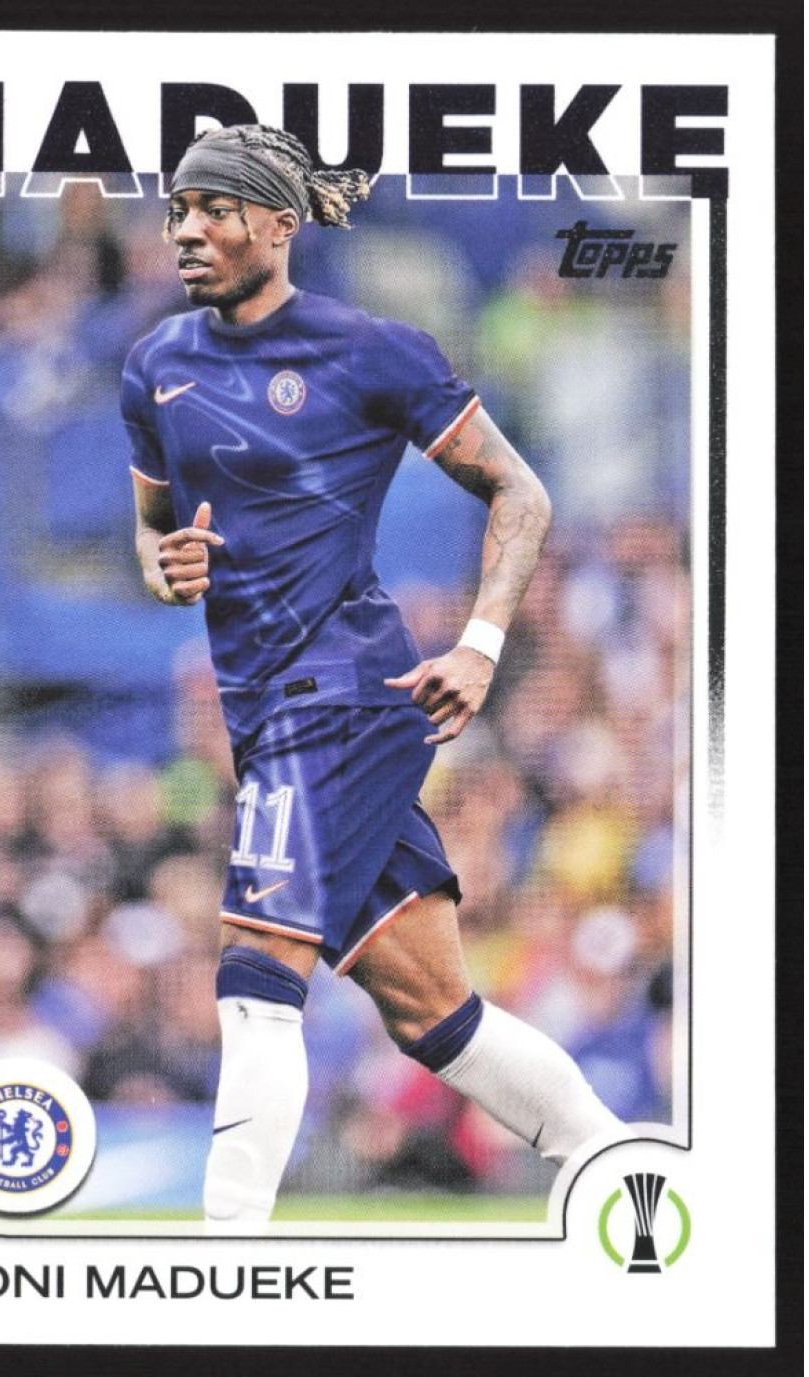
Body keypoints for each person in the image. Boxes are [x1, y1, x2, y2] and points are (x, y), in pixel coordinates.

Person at [122, 125, 625, 1227]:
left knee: (256, 976)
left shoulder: (370, 350)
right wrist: (167, 567)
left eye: (214, 208)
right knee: (434, 1012)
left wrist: (481, 643)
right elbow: (154, 538)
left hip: (341, 695)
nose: (187, 230)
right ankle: (626, 1172)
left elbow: (522, 492)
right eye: (177, 210)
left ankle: (221, 1268)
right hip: (263, 710)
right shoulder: (154, 365)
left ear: (279, 225)